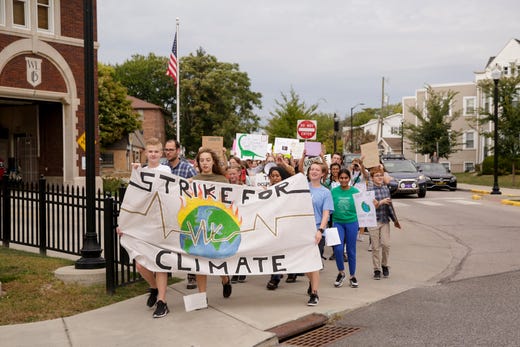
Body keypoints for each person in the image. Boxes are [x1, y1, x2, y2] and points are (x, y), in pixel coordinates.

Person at [117, 137, 172, 318]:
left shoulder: (166, 170)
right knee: (140, 265)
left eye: (156, 151)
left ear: (161, 153)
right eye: (150, 151)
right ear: (145, 153)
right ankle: (154, 287)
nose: (153, 154)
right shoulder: (140, 171)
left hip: (160, 222)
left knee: (160, 263)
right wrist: (124, 223)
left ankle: (162, 302)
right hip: (144, 223)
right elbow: (133, 200)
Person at [191, 148, 233, 299]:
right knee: (200, 261)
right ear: (198, 163)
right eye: (202, 160)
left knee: (218, 258)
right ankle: (202, 296)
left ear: (213, 162)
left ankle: (225, 279)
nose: (205, 163)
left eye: (208, 160)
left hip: (217, 225)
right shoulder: (193, 180)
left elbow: (228, 203)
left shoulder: (222, 180)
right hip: (199, 226)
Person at [164, 139, 199, 290]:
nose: (168, 152)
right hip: (167, 211)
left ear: (178, 151)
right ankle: (166, 271)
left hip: (184, 211)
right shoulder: (163, 168)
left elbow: (198, 185)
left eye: (171, 149)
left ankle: (191, 275)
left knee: (187, 242)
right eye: (166, 149)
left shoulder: (187, 168)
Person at [306, 162, 334, 305]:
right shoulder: (302, 188)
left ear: (322, 174)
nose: (314, 171)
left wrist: (320, 230)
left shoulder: (325, 192)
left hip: (317, 231)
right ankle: (312, 282)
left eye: (317, 170)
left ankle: (314, 293)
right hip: (302, 232)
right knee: (304, 266)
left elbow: (326, 214)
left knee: (314, 264)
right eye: (312, 169)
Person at [368, 166, 401, 280]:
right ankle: (376, 269)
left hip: (384, 220)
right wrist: (381, 202)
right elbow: (368, 207)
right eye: (377, 176)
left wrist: (395, 220)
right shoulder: (369, 191)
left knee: (386, 244)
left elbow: (389, 205)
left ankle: (384, 265)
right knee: (375, 247)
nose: (380, 177)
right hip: (373, 221)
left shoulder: (386, 189)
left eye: (381, 175)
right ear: (372, 178)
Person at [331, 169, 360, 288]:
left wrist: (371, 203)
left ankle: (352, 276)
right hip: (337, 222)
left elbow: (363, 205)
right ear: (338, 179)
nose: (343, 180)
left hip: (352, 222)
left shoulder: (355, 191)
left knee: (351, 250)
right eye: (341, 178)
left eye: (345, 178)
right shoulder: (333, 192)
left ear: (349, 179)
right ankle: (341, 272)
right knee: (338, 249)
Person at [265, 166, 292, 290]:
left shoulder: (288, 190)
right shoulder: (266, 190)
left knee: (284, 251)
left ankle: (289, 272)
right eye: (272, 176)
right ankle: (275, 276)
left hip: (285, 224)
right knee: (274, 251)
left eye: (277, 175)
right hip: (271, 225)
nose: (275, 178)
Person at [350, 158, 369, 242]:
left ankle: (361, 234)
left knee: (362, 216)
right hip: (353, 195)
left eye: (357, 164)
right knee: (354, 215)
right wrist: (351, 167)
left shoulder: (364, 171)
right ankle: (354, 233)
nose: (356, 166)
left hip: (362, 196)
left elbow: (367, 176)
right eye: (354, 164)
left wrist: (361, 167)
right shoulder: (351, 172)